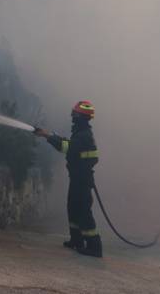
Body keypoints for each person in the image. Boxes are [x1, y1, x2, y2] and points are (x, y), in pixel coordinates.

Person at [34, 100, 102, 258]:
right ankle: (76, 240)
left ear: (81, 116)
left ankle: (94, 247)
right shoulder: (81, 133)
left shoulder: (84, 136)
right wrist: (49, 134)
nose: (72, 116)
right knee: (73, 208)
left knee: (84, 212)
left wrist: (46, 136)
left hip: (82, 181)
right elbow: (70, 144)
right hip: (78, 179)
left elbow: (67, 148)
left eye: (75, 114)